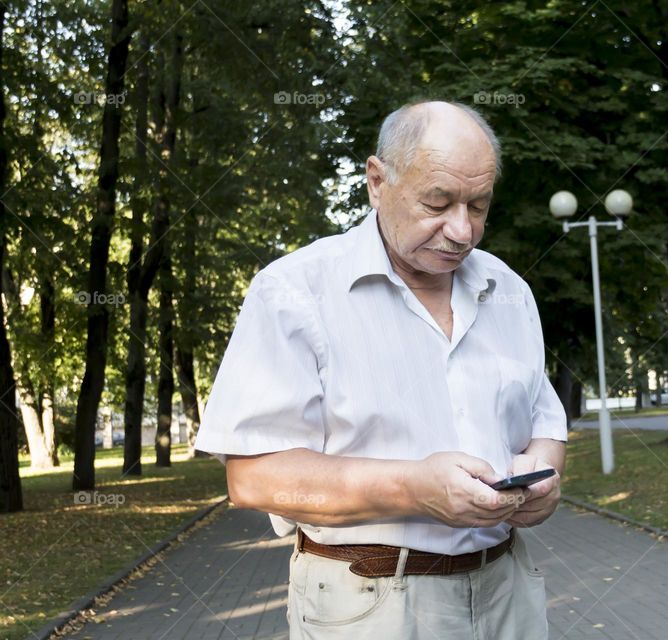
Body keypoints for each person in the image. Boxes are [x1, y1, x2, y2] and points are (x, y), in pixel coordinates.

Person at [195, 100, 568, 639]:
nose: (461, 230)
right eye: (437, 202)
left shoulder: (509, 290)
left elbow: (544, 422)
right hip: (368, 605)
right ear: (376, 180)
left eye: (479, 206)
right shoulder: (294, 291)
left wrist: (543, 476)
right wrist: (413, 488)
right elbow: (251, 478)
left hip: (508, 591)